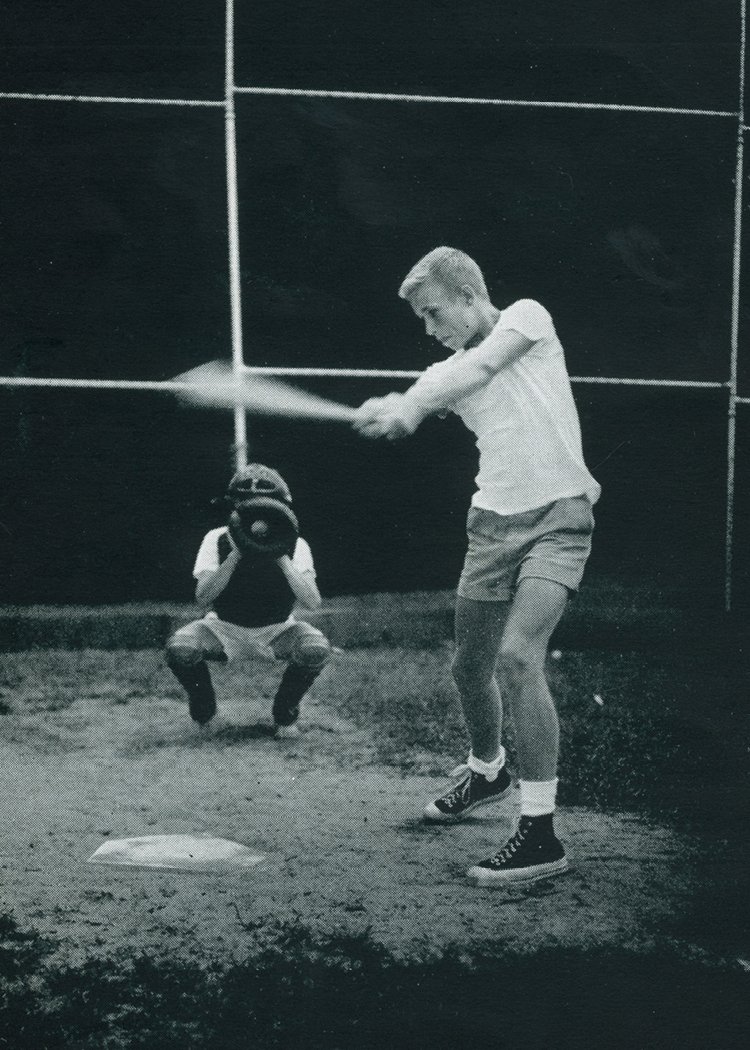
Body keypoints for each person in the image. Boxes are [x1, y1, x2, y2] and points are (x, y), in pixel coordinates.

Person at [354, 247, 600, 886]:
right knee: (470, 668)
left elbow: (483, 364)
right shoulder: (449, 368)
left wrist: (413, 403)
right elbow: (440, 383)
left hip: (559, 521)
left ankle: (540, 832)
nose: (430, 329)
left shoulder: (528, 321)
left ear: (469, 294)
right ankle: (487, 769)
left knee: (518, 658)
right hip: (490, 529)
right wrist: (403, 403)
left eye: (434, 313)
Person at [165, 463, 331, 738]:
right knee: (181, 647)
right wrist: (235, 553)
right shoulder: (216, 539)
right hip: (224, 628)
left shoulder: (295, 543)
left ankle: (285, 714)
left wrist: (281, 557)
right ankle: (206, 713)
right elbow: (202, 598)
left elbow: (312, 602)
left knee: (315, 648)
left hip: (277, 630)